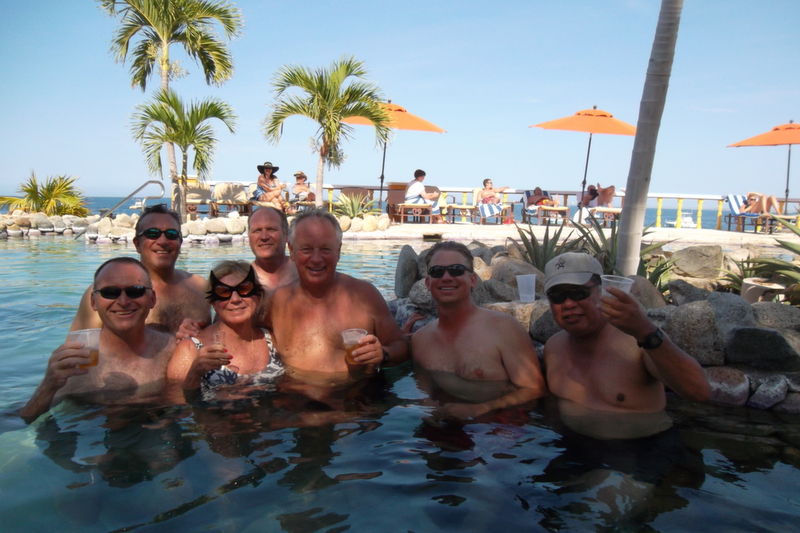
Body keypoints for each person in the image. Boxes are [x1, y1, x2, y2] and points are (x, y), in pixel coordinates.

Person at [542, 252, 711, 417]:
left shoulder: (639, 343)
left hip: (643, 436)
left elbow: (699, 392)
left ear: (602, 291)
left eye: (578, 293)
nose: (568, 304)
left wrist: (645, 330)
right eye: (557, 296)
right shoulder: (554, 347)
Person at [21, 257, 175, 422]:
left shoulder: (173, 349)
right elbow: (22, 420)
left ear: (152, 299)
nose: (123, 302)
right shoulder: (76, 362)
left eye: (135, 291)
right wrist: (48, 385)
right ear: (93, 302)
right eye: (110, 293)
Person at [411, 241, 546, 419]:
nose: (446, 277)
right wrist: (429, 411)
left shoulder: (504, 329)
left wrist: (481, 409)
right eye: (437, 272)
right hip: (447, 422)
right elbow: (424, 392)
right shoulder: (420, 340)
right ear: (428, 283)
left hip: (497, 424)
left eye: (456, 270)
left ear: (473, 280)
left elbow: (534, 389)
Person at [269, 209, 408, 378]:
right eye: (306, 249)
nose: (316, 259)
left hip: (358, 392)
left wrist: (383, 354)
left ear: (339, 251)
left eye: (325, 249)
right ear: (291, 251)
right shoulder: (277, 301)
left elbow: (400, 346)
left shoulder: (365, 296)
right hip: (292, 392)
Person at [70, 204, 211, 336]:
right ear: (137, 244)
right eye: (152, 233)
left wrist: (197, 341)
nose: (162, 241)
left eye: (171, 234)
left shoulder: (201, 287)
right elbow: (80, 347)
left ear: (180, 243)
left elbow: (217, 337)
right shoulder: (107, 293)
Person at [167, 261, 283, 397]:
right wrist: (195, 373)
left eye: (244, 289)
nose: (235, 299)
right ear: (212, 302)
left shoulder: (274, 340)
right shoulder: (190, 349)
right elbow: (176, 400)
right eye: (223, 292)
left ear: (257, 296)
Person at [247, 206, 298, 293]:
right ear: (249, 236)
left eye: (271, 229)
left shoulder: (304, 272)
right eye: (257, 230)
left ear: (286, 234)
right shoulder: (241, 279)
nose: (264, 237)